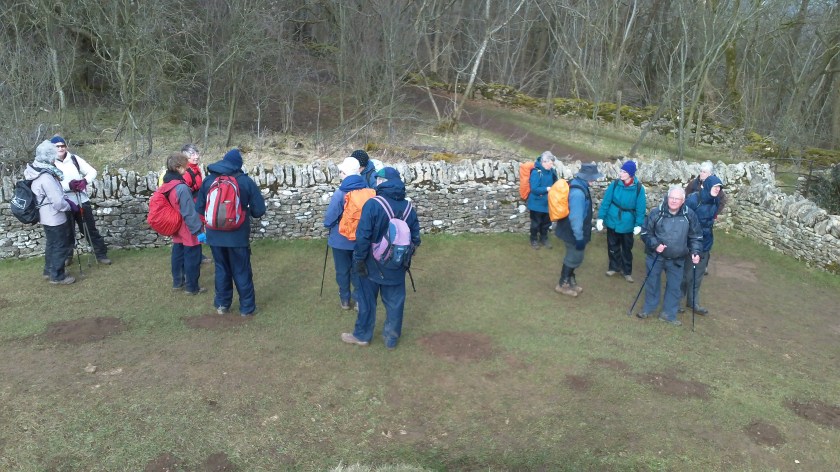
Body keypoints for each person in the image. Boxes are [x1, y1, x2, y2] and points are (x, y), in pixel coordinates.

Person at [341, 167, 421, 350]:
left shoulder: (373, 204)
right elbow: (416, 238)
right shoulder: (408, 207)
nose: (375, 182)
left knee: (367, 301)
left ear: (383, 182)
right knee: (395, 303)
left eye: (378, 179)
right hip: (397, 267)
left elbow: (363, 236)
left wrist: (358, 260)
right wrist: (403, 257)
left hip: (371, 264)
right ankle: (391, 339)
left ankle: (362, 336)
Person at [195, 149, 266, 316]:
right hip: (237, 237)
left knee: (221, 269)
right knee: (241, 270)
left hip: (214, 235)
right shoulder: (245, 182)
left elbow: (199, 208)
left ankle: (222, 305)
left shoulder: (208, 180)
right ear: (238, 165)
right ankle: (246, 309)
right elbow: (259, 210)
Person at [637, 186, 702, 326]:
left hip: (677, 258)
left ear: (683, 200)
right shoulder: (656, 212)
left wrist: (695, 252)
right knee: (652, 282)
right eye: (671, 198)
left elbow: (696, 236)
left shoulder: (689, 215)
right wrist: (655, 244)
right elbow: (645, 233)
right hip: (655, 256)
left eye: (677, 199)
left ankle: (668, 314)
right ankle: (648, 309)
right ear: (667, 198)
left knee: (674, 287)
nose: (673, 201)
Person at [51, 136, 111, 265]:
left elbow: (92, 171)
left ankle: (101, 254)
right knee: (67, 232)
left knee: (90, 229)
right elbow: (51, 184)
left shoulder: (74, 159)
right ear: (53, 148)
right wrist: (68, 186)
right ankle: (67, 256)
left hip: (81, 200)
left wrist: (84, 181)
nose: (61, 148)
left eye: (63, 146)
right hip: (64, 203)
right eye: (57, 146)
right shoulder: (50, 163)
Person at [26, 140, 77, 284]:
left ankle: (49, 270)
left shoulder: (36, 171)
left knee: (52, 244)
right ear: (48, 157)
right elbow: (58, 202)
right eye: (53, 155)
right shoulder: (46, 176)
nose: (55, 158)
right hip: (54, 216)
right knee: (61, 244)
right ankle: (57, 276)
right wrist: (70, 206)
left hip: (46, 216)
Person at [323, 157, 367, 310]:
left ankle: (345, 300)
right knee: (357, 270)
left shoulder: (340, 193)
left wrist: (328, 225)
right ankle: (359, 300)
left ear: (345, 173)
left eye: (341, 171)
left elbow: (329, 219)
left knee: (342, 271)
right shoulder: (367, 191)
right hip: (360, 240)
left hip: (340, 240)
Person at [554, 162, 603, 297]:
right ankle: (562, 284)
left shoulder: (580, 184)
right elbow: (576, 218)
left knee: (575, 257)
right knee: (573, 257)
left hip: (570, 229)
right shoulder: (578, 193)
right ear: (587, 177)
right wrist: (579, 237)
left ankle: (570, 280)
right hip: (573, 232)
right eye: (593, 177)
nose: (595, 180)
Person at [161, 152, 207, 295]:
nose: (186, 170)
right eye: (184, 167)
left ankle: (177, 282)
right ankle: (192, 287)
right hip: (187, 227)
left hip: (176, 225)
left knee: (178, 253)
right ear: (178, 167)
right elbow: (189, 212)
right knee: (192, 256)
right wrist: (199, 231)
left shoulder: (167, 183)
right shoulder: (181, 188)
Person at [596, 160, 646, 282]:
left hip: (628, 222)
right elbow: (606, 201)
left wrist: (638, 224)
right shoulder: (615, 184)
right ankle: (614, 267)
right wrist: (601, 217)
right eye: (621, 171)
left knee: (627, 247)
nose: (621, 173)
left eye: (624, 172)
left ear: (631, 174)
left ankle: (626, 271)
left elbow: (641, 208)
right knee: (612, 245)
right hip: (612, 219)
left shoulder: (639, 188)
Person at [680, 175, 724, 315]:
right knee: (686, 275)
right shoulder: (693, 199)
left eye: (719, 187)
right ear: (708, 185)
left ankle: (693, 302)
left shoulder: (715, 201)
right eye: (715, 186)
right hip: (691, 242)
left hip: (705, 242)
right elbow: (683, 219)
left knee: (698, 274)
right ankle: (676, 301)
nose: (717, 189)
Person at [180, 143, 211, 265]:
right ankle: (193, 260)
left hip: (198, 203)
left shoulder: (196, 168)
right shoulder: (187, 172)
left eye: (197, 153)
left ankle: (198, 256)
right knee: (194, 232)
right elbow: (185, 193)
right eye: (192, 154)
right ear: (186, 158)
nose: (196, 156)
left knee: (198, 231)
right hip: (192, 206)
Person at [527, 151, 559, 249]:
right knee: (535, 224)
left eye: (552, 163)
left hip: (548, 203)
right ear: (544, 162)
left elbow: (556, 183)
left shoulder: (552, 171)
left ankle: (544, 238)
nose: (551, 165)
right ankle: (533, 239)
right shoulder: (536, 172)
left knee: (546, 223)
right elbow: (534, 189)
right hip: (536, 204)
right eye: (550, 163)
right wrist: (547, 189)